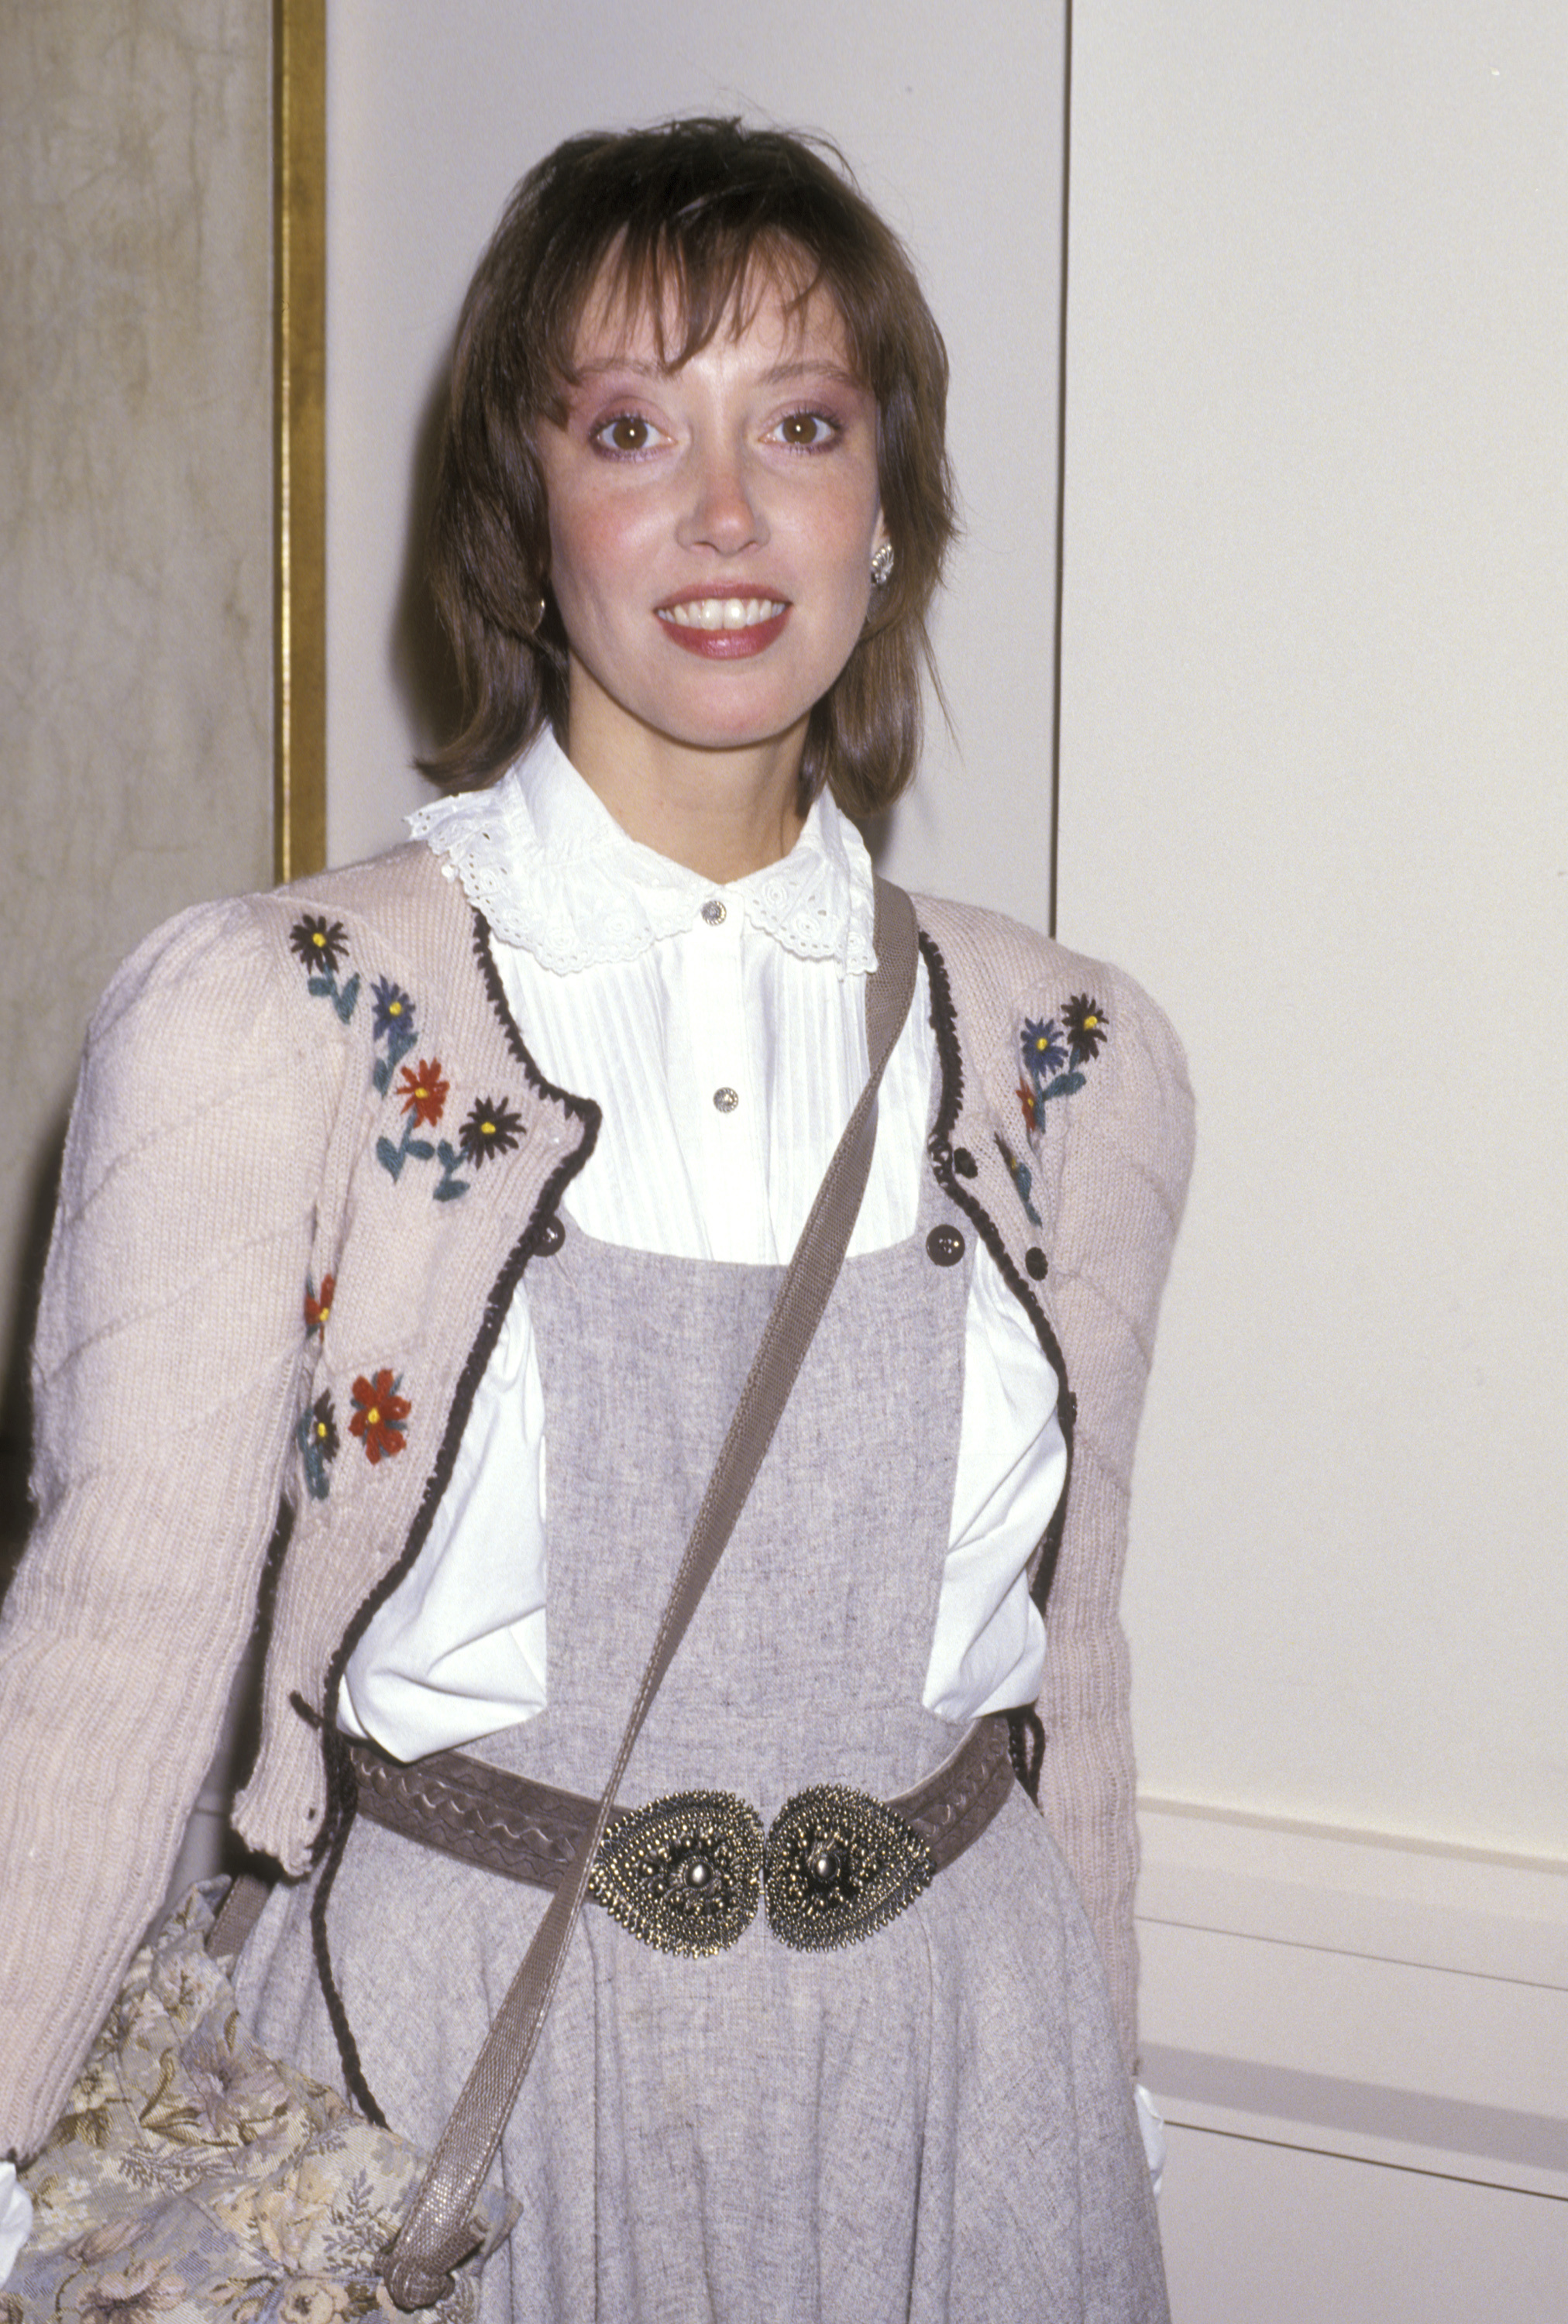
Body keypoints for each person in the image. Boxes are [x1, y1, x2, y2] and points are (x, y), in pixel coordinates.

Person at [0, 119, 1192, 2319]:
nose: (726, 515)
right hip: (444, 2098)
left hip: (962, 2089)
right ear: (523, 518)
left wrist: (1094, 2097)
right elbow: (111, 1653)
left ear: (884, 511)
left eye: (802, 426)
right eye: (632, 428)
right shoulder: (278, 1014)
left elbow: (1073, 1687)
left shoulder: (1072, 1060)